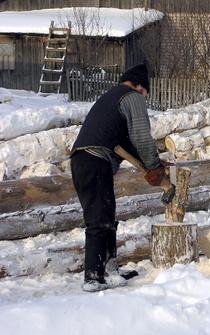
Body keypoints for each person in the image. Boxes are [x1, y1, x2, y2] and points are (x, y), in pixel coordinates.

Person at [71, 63, 168, 292]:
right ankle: (93, 277)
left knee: (106, 215)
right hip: (93, 159)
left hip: (87, 161)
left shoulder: (113, 98)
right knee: (98, 219)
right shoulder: (131, 97)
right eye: (146, 91)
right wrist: (154, 166)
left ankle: (110, 270)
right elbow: (142, 137)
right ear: (139, 86)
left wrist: (153, 164)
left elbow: (126, 143)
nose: (145, 97)